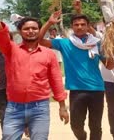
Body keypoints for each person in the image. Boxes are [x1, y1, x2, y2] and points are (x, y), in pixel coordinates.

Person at [0, 0, 69, 140]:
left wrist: (62, 107)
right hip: (14, 108)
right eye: (26, 28)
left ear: (39, 31)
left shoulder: (48, 54)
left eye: (34, 28)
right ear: (20, 32)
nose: (31, 31)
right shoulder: (10, 50)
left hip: (40, 108)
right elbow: (0, 33)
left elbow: (56, 81)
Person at [38, 12, 105, 140]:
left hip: (97, 89)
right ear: (72, 27)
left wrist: (109, 51)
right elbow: (40, 41)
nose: (79, 27)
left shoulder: (96, 43)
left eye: (83, 24)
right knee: (76, 125)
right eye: (76, 24)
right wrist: (49, 22)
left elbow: (110, 65)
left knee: (96, 126)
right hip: (77, 90)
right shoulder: (64, 43)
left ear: (88, 26)